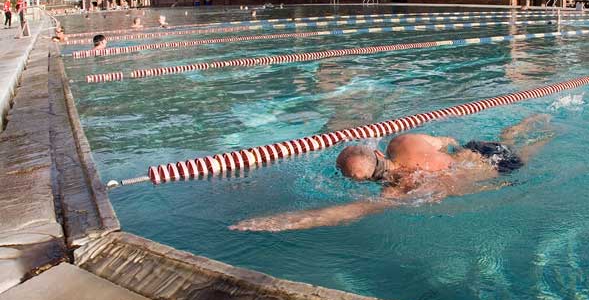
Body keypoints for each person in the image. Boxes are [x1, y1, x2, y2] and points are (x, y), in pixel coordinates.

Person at [231, 115, 553, 232]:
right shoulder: (402, 141)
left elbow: (347, 212)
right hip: (475, 149)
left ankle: (549, 136)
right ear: (377, 152)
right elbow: (446, 141)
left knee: (528, 153)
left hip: (494, 172)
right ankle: (534, 123)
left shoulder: (398, 189)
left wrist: (279, 222)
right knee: (507, 140)